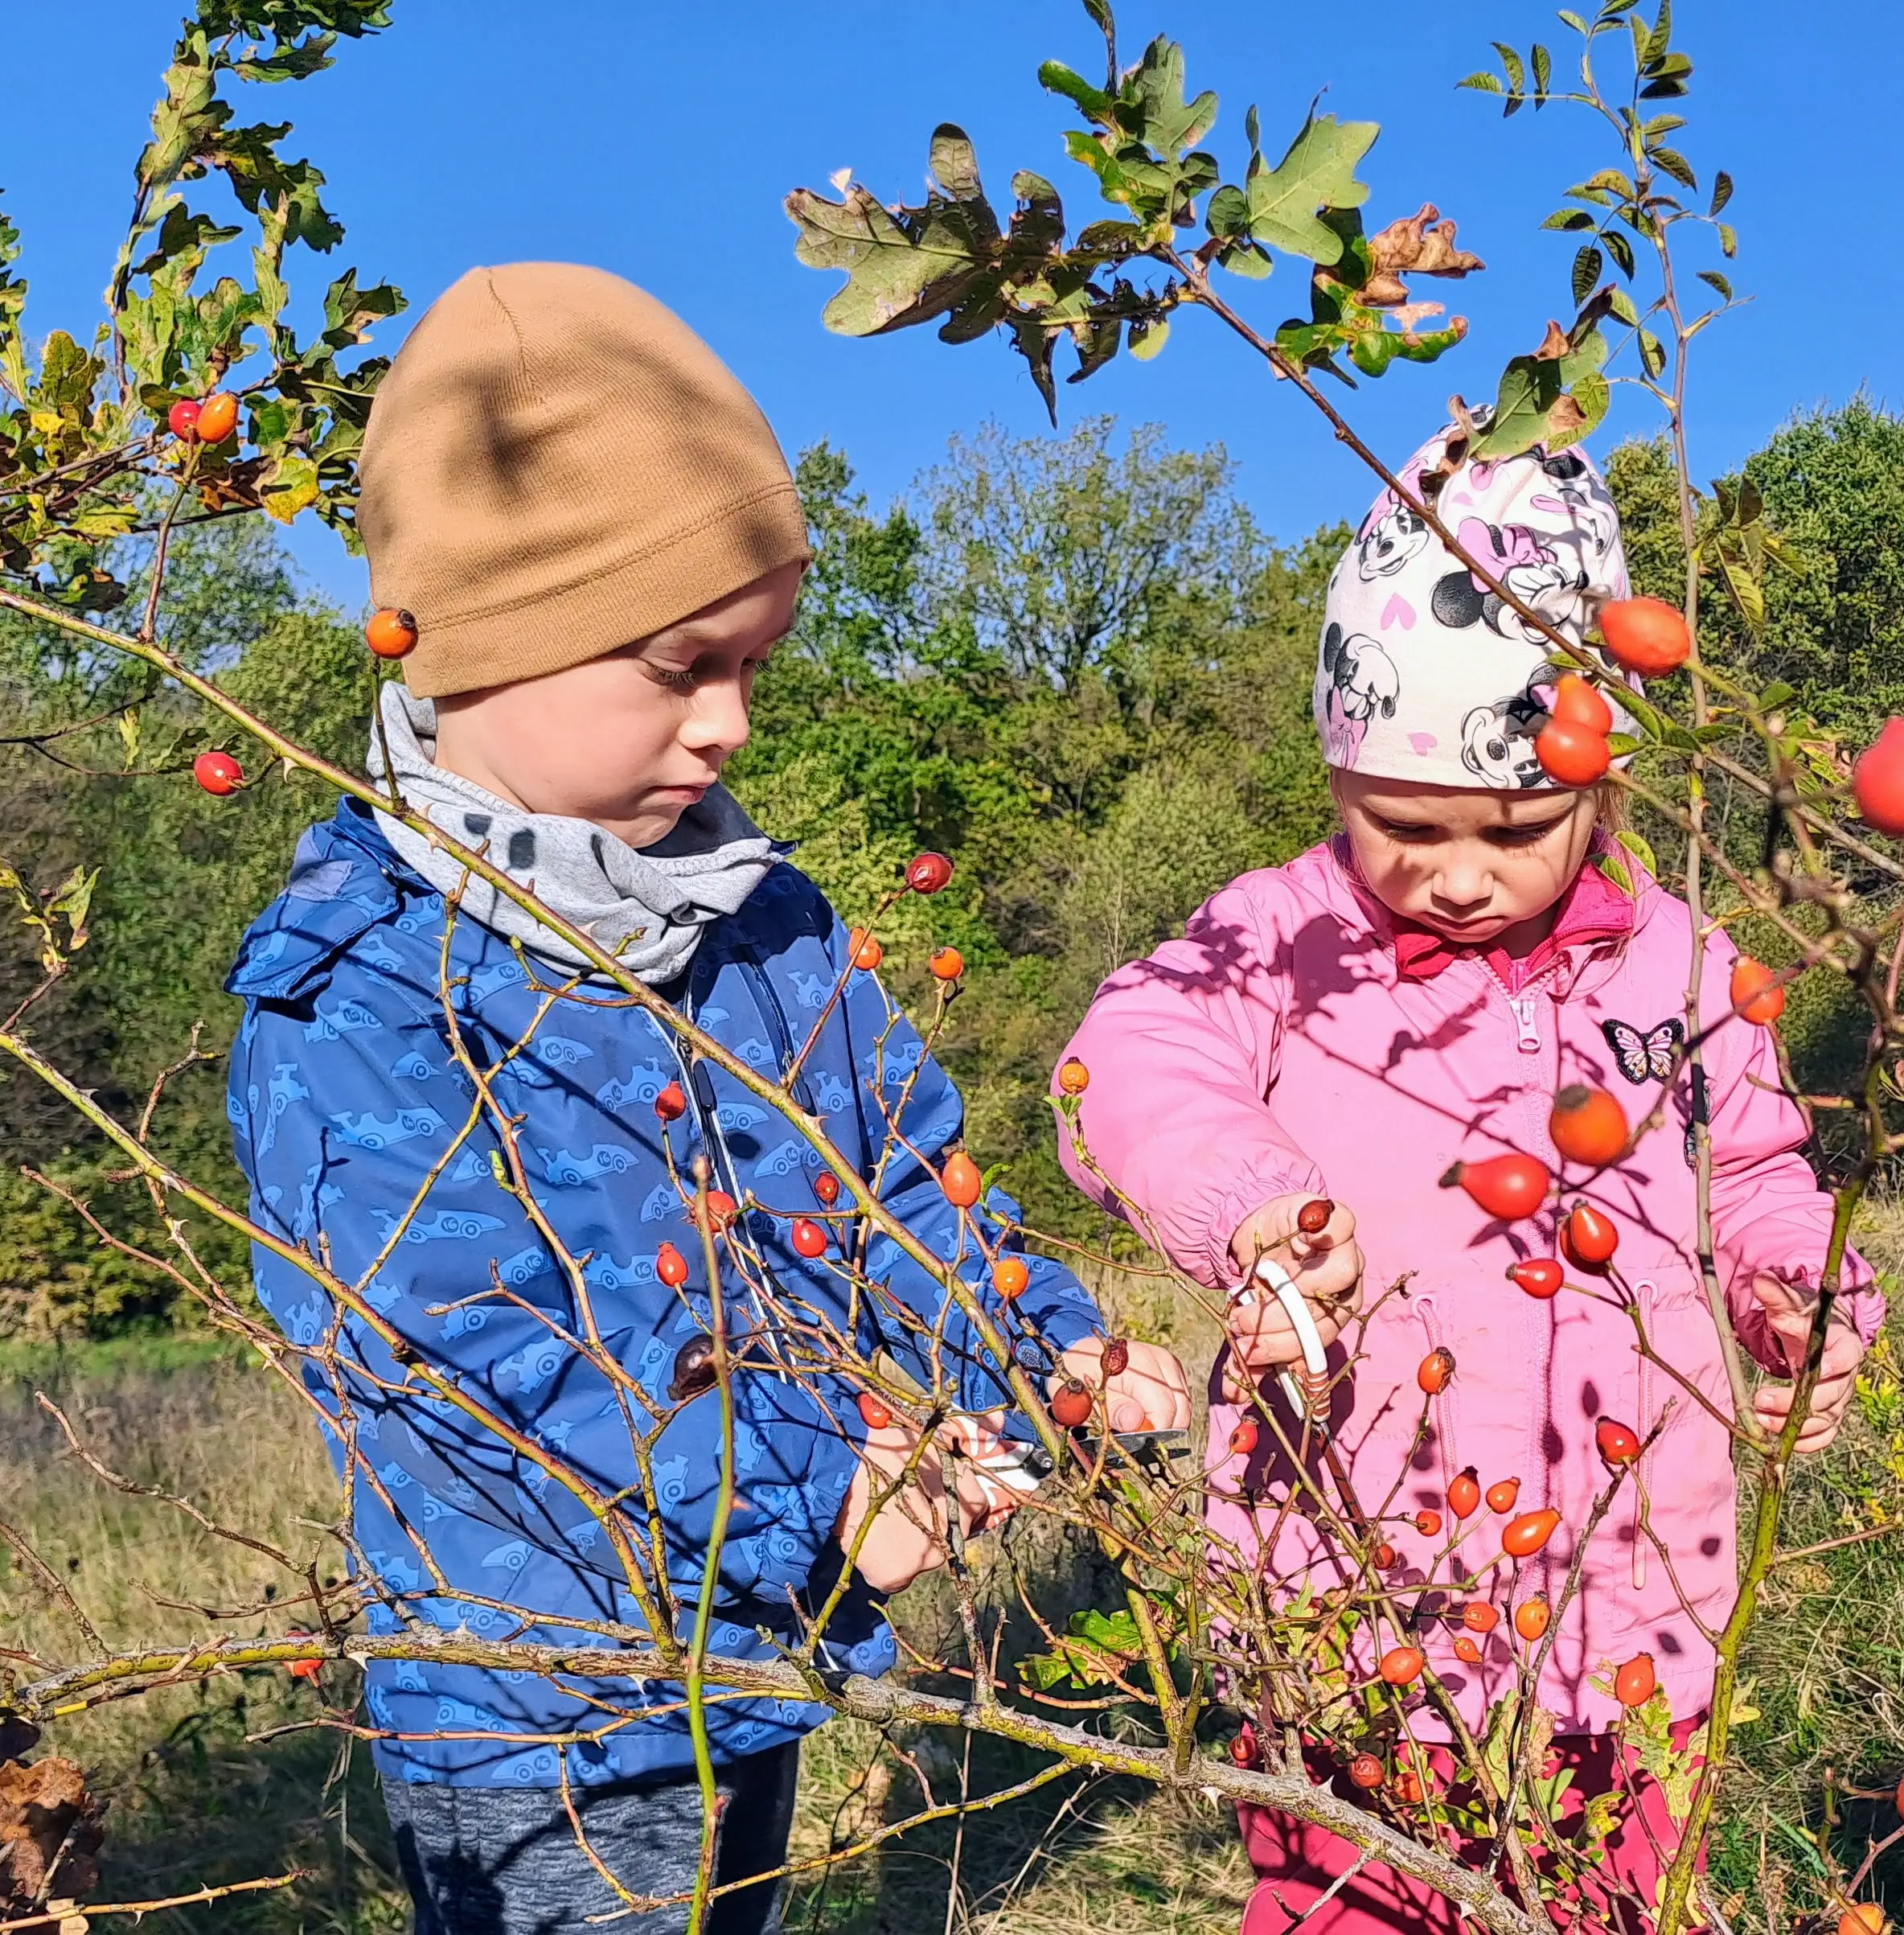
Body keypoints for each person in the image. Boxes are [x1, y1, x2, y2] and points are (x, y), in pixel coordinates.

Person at [225, 262, 1188, 1935]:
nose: (728, 722)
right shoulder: (363, 990)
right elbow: (475, 1384)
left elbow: (901, 1192)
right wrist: (828, 1487)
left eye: (754, 662)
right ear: (482, 648)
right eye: (679, 665)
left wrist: (1044, 1354)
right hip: (547, 1721)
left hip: (756, 1656)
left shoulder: (760, 922)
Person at [1054, 423, 1881, 1935]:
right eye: (1404, 823)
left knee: (1616, 1909)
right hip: (1351, 1609)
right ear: (1335, 772)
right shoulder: (1273, 938)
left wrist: (1800, 1300)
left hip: (1640, 1599)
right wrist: (1254, 1205)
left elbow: (1756, 1165)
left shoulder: (1684, 965)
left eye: (1507, 830)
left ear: (1599, 787)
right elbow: (1124, 1055)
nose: (1453, 871)